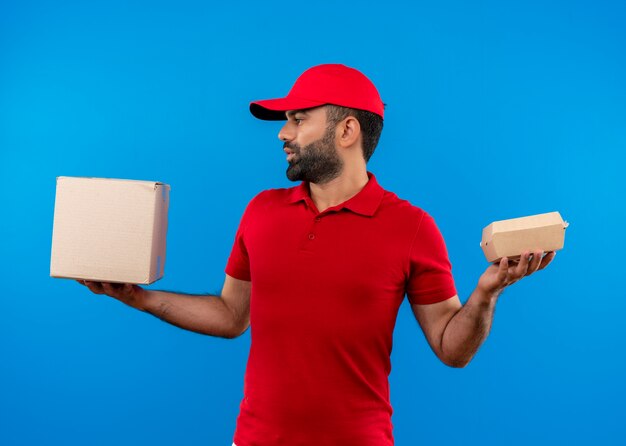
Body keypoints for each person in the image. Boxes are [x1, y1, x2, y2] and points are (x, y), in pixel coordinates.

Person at [78, 63, 555, 446]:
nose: (284, 133)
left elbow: (453, 350)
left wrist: (487, 293)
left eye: (299, 118)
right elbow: (230, 316)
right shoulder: (261, 211)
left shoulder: (412, 227)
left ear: (347, 130)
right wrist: (137, 298)